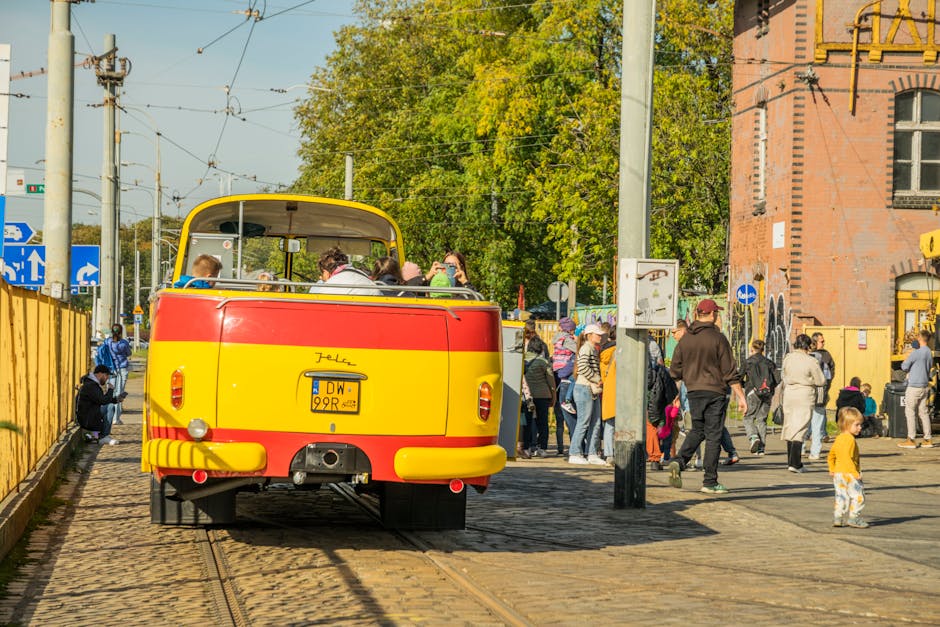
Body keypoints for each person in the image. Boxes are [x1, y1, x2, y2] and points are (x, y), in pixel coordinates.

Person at [666, 299, 747, 494]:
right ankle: (710, 481)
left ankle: (679, 461)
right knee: (713, 436)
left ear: (697, 314)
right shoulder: (718, 338)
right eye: (716, 313)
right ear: (712, 314)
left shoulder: (686, 340)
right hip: (715, 392)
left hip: (693, 391)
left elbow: (675, 371)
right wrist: (741, 396)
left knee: (698, 429)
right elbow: (729, 371)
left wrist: (679, 391)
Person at [781, 334, 826, 473]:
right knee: (800, 427)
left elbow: (783, 375)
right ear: (807, 345)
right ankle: (796, 464)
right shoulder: (811, 361)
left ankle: (790, 461)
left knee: (790, 426)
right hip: (804, 394)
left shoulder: (788, 358)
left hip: (789, 393)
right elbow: (821, 380)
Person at [568, 324, 606, 465]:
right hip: (585, 388)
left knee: (595, 422)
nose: (600, 336)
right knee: (584, 422)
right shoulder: (587, 348)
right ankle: (575, 453)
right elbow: (583, 367)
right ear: (589, 335)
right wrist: (597, 379)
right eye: (597, 334)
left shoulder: (591, 348)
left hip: (589, 388)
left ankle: (592, 453)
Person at [828, 407, 868, 528]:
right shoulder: (850, 440)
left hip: (838, 473)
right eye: (857, 425)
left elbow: (831, 455)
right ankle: (853, 518)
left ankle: (838, 517)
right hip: (849, 473)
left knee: (841, 496)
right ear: (847, 424)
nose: (860, 428)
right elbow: (847, 458)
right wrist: (855, 473)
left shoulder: (839, 438)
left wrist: (832, 468)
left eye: (860, 425)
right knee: (858, 496)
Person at [741, 339, 779, 456]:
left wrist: (745, 386)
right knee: (761, 420)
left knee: (748, 417)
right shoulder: (770, 363)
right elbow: (777, 379)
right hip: (767, 394)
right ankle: (761, 449)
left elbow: (738, 377)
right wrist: (770, 389)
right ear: (763, 350)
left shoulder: (748, 362)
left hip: (753, 392)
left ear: (752, 349)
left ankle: (753, 437)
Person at [899, 329, 934, 449]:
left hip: (914, 386)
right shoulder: (929, 352)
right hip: (924, 386)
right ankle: (928, 439)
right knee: (923, 413)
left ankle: (911, 439)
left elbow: (904, 367)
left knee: (910, 412)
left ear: (919, 338)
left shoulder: (916, 353)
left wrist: (907, 358)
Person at [76, 365, 127, 445]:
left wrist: (115, 400)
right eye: (106, 375)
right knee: (110, 407)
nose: (107, 378)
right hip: (87, 418)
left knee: (108, 407)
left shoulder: (91, 383)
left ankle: (97, 436)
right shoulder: (91, 385)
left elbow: (99, 399)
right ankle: (103, 436)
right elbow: (103, 400)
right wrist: (110, 390)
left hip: (88, 414)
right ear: (100, 374)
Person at [521, 344, 556, 457]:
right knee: (542, 422)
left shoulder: (522, 360)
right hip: (543, 395)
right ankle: (542, 448)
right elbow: (551, 381)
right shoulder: (544, 362)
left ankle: (526, 447)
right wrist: (553, 396)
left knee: (527, 422)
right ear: (541, 349)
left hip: (527, 396)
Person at [805, 332, 836, 459]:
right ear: (814, 342)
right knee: (817, 423)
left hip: (805, 393)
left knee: (804, 422)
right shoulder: (825, 356)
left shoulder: (804, 357)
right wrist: (826, 387)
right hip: (819, 392)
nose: (823, 343)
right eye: (821, 341)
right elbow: (830, 374)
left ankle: (801, 448)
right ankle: (815, 451)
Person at [551, 317, 578, 455]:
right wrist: (578, 341)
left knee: (559, 416)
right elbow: (578, 350)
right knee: (569, 415)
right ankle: (574, 446)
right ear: (569, 329)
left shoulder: (557, 339)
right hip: (566, 374)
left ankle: (560, 447)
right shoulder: (568, 340)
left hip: (556, 373)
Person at [309, 247, 382, 296]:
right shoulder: (364, 276)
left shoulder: (328, 287)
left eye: (322, 273)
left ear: (326, 272)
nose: (321, 277)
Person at [100, 324, 131, 426]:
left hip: (111, 369)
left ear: (112, 331)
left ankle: (108, 417)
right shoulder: (124, 343)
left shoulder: (107, 342)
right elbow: (128, 353)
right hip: (122, 369)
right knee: (119, 392)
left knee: (111, 392)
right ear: (121, 332)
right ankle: (116, 418)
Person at [599, 327, 617, 464]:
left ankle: (609, 453)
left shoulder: (603, 352)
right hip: (621, 390)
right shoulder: (621, 351)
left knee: (609, 424)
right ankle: (619, 452)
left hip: (608, 390)